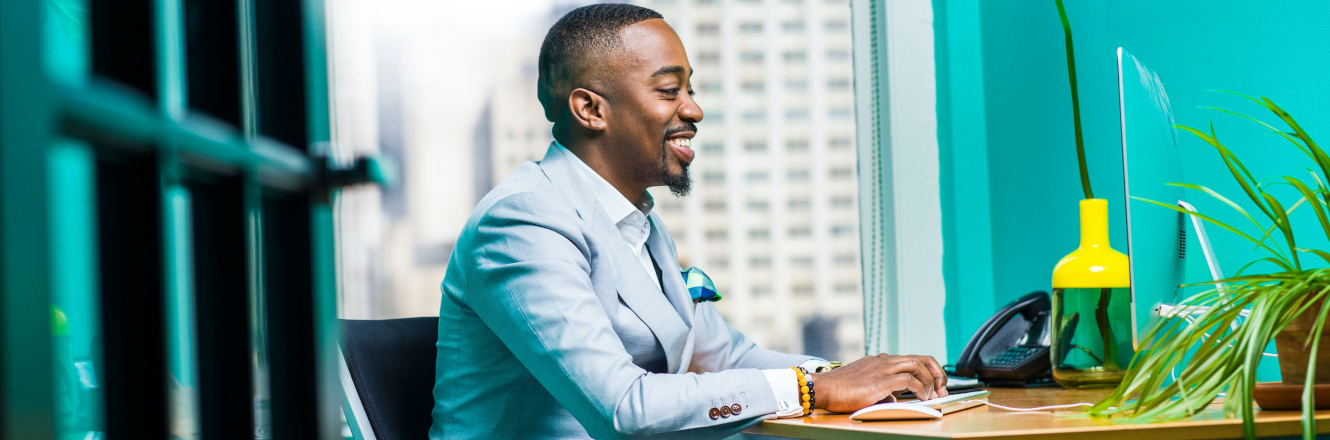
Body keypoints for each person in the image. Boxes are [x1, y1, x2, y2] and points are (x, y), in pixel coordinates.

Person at [429, 4, 947, 439]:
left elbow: (722, 356)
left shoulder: (636, 225)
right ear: (590, 109)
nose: (694, 110)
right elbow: (622, 409)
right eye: (669, 90)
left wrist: (855, 376)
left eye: (690, 90)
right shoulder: (523, 223)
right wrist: (812, 390)